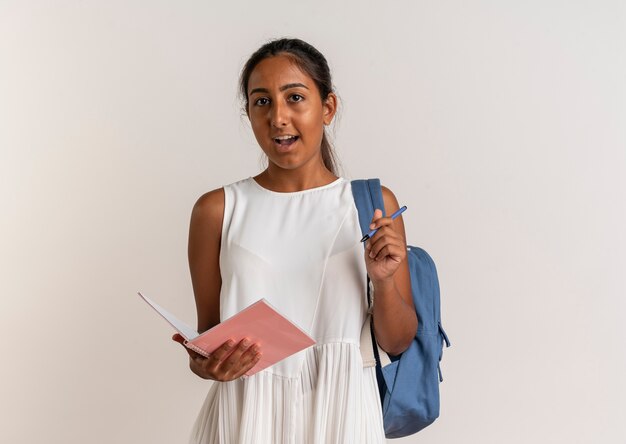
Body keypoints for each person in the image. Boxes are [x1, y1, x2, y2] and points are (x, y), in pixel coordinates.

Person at [172, 37, 417, 444]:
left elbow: (397, 341)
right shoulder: (216, 210)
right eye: (262, 101)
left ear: (328, 108)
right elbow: (210, 341)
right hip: (245, 417)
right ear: (248, 113)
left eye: (295, 97)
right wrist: (206, 364)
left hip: (341, 415)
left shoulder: (371, 205)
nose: (278, 117)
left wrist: (384, 279)